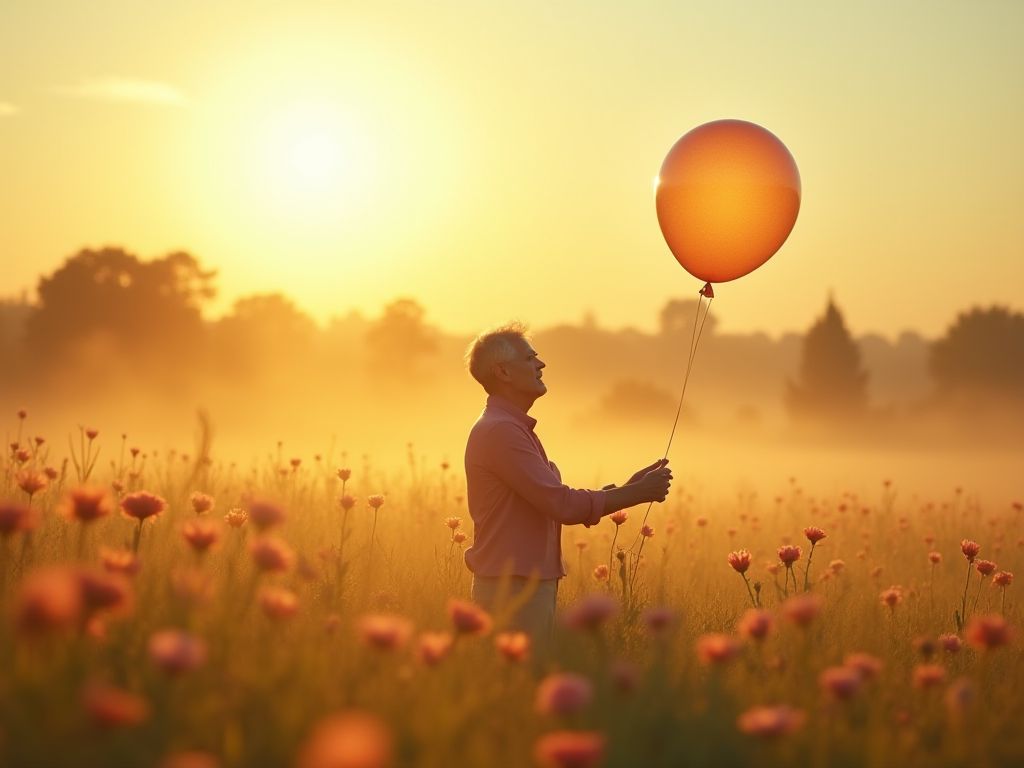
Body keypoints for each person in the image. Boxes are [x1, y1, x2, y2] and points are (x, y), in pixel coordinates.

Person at [463, 322, 672, 658]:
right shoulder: (501, 432)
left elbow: (552, 500)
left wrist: (627, 488)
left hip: (524, 585)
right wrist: (637, 493)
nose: (541, 365)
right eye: (530, 357)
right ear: (503, 371)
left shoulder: (512, 428)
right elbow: (561, 504)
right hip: (511, 589)